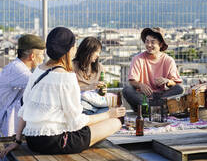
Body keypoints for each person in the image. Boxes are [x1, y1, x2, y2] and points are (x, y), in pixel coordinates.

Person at [0, 27, 126, 157]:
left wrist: (17, 140)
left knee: (94, 123)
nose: (75, 50)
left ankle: (87, 139)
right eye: (74, 46)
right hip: (57, 142)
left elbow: (24, 109)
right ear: (69, 50)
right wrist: (109, 114)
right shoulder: (67, 77)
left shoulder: (38, 71)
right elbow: (76, 122)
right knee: (115, 122)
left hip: (33, 141)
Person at [122, 27, 184, 111]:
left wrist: (167, 81)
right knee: (127, 89)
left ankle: (152, 109)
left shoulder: (168, 60)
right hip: (144, 96)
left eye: (153, 42)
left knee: (180, 88)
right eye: (147, 41)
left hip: (162, 96)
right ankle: (154, 109)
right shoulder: (137, 59)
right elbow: (131, 81)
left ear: (161, 44)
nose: (149, 45)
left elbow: (176, 83)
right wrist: (141, 85)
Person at [0, 34, 45, 137]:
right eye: (42, 54)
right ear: (32, 56)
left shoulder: (17, 66)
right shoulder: (18, 70)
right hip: (5, 122)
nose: (43, 58)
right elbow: (42, 86)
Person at [73, 37, 108, 115]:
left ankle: (94, 115)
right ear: (88, 51)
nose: (98, 55)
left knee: (112, 104)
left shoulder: (100, 68)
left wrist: (102, 91)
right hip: (80, 102)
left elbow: (101, 95)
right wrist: (88, 87)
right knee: (81, 103)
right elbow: (68, 90)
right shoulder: (72, 67)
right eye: (96, 52)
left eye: (99, 52)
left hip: (95, 102)